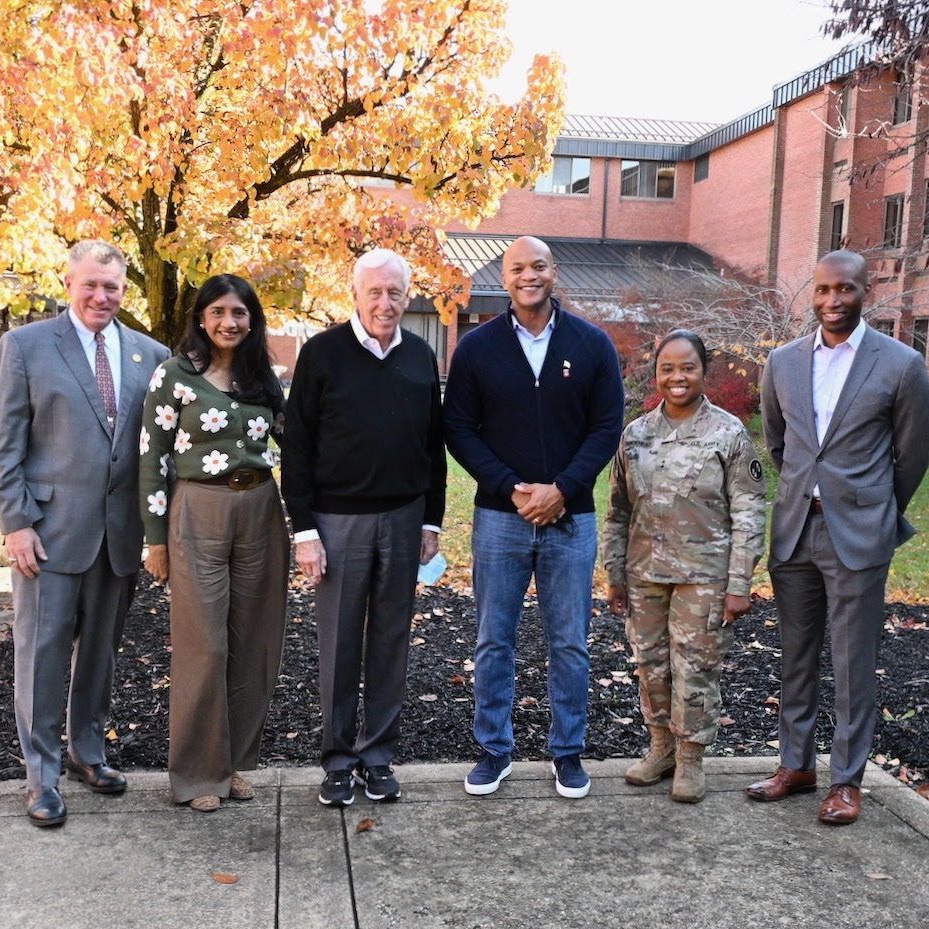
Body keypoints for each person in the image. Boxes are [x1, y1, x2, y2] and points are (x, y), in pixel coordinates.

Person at [0, 240, 170, 827]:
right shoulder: (25, 347)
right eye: (90, 284)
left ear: (123, 291)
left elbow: (154, 448)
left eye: (111, 287)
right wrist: (15, 524)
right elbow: (3, 443)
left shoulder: (150, 355)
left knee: (100, 653)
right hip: (48, 534)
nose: (100, 296)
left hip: (119, 536)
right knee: (41, 656)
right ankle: (41, 777)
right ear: (68, 284)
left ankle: (87, 751)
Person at [749, 249, 929, 825]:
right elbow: (778, 444)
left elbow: (913, 455)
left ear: (865, 292)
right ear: (813, 294)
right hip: (795, 530)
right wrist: (806, 491)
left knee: (853, 662)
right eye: (824, 290)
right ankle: (795, 764)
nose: (833, 301)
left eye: (846, 290)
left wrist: (876, 509)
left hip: (858, 533)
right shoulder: (781, 362)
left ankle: (846, 779)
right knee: (796, 657)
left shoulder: (901, 364)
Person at [443, 235, 624, 799]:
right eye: (518, 267)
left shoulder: (592, 345)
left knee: (569, 641)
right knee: (494, 639)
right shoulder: (476, 348)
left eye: (538, 266)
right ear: (505, 275)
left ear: (554, 271)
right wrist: (509, 487)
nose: (529, 275)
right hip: (500, 517)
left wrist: (563, 490)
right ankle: (494, 751)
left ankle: (567, 752)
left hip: (572, 520)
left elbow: (605, 428)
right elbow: (459, 430)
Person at [280, 248, 446, 808]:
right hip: (337, 523)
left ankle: (377, 758)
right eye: (373, 292)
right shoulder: (322, 354)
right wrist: (304, 530)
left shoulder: (421, 356)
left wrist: (431, 522)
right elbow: (296, 445)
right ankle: (337, 760)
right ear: (354, 293)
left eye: (394, 292)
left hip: (403, 520)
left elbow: (434, 447)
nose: (384, 303)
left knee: (391, 642)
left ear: (407, 295)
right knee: (339, 643)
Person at [139, 274, 289, 812]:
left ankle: (232, 766)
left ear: (253, 320)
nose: (230, 322)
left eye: (240, 313)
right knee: (205, 644)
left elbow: (300, 440)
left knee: (253, 639)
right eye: (219, 312)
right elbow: (151, 460)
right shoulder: (174, 375)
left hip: (260, 511)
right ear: (201, 318)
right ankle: (198, 775)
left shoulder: (263, 380)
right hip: (196, 510)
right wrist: (154, 541)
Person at [602, 329, 765, 802]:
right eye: (667, 368)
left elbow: (750, 511)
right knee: (651, 666)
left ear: (703, 371)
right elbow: (617, 511)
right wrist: (614, 575)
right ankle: (661, 750)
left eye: (687, 367)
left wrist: (740, 583)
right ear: (656, 374)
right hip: (645, 573)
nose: (677, 377)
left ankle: (691, 759)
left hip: (705, 576)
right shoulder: (634, 436)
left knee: (695, 668)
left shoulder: (728, 433)